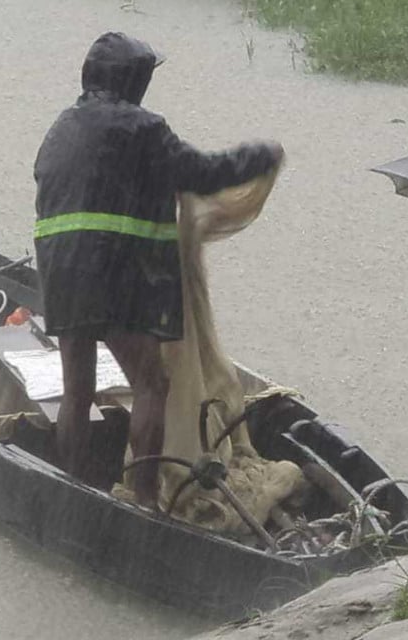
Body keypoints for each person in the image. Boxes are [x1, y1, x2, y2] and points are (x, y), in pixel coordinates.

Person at [33, 32, 282, 506]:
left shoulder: (60, 126)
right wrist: (261, 156)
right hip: (119, 274)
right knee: (151, 383)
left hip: (62, 271)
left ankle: (71, 488)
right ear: (135, 81)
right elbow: (202, 173)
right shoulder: (145, 129)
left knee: (76, 389)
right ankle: (145, 498)